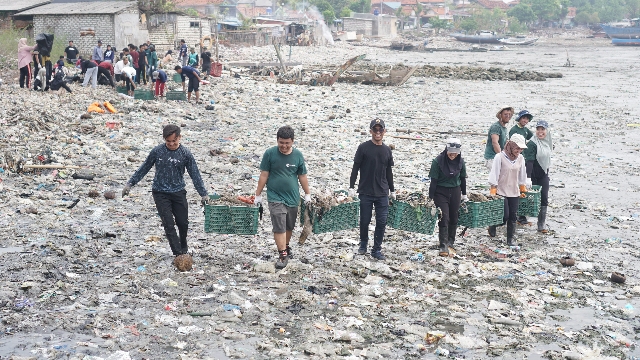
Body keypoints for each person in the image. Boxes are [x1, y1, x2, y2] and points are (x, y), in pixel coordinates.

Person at [122, 125, 209, 259]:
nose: (172, 144)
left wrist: (203, 194)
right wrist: (130, 183)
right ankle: (178, 254)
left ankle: (183, 246)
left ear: (179, 138)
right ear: (164, 139)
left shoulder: (185, 154)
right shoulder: (157, 152)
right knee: (168, 224)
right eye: (168, 141)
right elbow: (144, 167)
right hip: (160, 192)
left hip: (178, 192)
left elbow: (195, 174)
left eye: (174, 141)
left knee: (183, 223)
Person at [254, 126, 310, 269]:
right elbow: (264, 175)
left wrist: (307, 194)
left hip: (292, 197)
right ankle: (282, 254)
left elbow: (302, 176)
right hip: (275, 196)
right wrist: (258, 195)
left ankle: (286, 246)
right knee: (279, 224)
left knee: (288, 226)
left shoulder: (297, 155)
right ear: (277, 140)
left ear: (292, 141)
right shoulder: (270, 154)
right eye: (281, 142)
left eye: (287, 143)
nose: (284, 146)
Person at [349, 119, 395, 261]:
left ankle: (376, 249)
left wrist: (392, 190)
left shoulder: (387, 150)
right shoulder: (363, 147)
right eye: (375, 130)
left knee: (382, 221)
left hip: (382, 192)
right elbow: (355, 168)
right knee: (364, 220)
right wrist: (351, 186)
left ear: (384, 132)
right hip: (365, 191)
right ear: (370, 131)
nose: (377, 132)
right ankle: (363, 244)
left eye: (380, 130)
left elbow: (389, 172)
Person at [428, 138, 467, 257]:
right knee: (444, 217)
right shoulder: (438, 162)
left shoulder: (461, 162)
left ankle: (451, 241)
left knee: (454, 217)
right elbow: (433, 181)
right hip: (440, 192)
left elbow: (463, 179)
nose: (452, 155)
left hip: (455, 191)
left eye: (455, 153)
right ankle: (443, 244)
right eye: (450, 152)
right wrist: (430, 198)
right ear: (446, 150)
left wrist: (464, 195)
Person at [487, 134, 528, 246]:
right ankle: (493, 224)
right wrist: (493, 189)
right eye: (517, 148)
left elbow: (522, 174)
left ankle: (510, 239)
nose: (518, 151)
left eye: (521, 149)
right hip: (501, 190)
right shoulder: (499, 157)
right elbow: (494, 173)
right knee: (504, 216)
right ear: (511, 145)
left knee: (513, 216)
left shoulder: (520, 158)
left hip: (514, 190)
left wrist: (522, 187)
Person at [524, 120, 553, 234]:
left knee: (544, 198)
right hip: (533, 175)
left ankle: (541, 224)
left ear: (547, 130)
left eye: (543, 129)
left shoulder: (548, 142)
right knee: (527, 198)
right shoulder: (532, 143)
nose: (540, 132)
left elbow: (547, 160)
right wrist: (528, 178)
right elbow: (529, 161)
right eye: (538, 129)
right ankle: (520, 217)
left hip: (543, 175)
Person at [484, 106, 513, 171]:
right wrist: (501, 157)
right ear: (500, 115)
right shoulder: (496, 127)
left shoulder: (504, 128)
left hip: (498, 157)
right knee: (497, 179)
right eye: (505, 114)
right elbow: (495, 142)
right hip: (492, 158)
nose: (508, 116)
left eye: (509, 114)